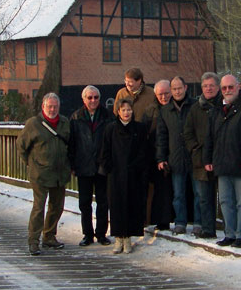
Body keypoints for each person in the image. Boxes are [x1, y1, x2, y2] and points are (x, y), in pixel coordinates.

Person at [203, 74, 241, 248]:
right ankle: (229, 234)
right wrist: (207, 159)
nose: (227, 91)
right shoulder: (216, 111)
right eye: (224, 88)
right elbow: (209, 137)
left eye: (230, 87)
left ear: (238, 87)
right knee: (225, 202)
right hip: (221, 163)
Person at [17, 92, 71, 256]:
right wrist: (31, 163)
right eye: (50, 106)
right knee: (38, 208)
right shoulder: (33, 124)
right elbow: (21, 147)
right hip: (40, 173)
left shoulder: (64, 122)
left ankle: (49, 236)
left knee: (57, 207)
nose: (52, 109)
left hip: (59, 173)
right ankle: (34, 241)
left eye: (55, 107)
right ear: (43, 107)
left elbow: (70, 143)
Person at [101, 98, 147, 254]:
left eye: (129, 109)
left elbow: (143, 150)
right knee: (116, 206)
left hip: (133, 173)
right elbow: (105, 150)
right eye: (123, 110)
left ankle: (128, 237)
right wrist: (109, 167)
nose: (126, 113)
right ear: (118, 111)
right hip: (115, 173)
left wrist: (136, 166)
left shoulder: (139, 128)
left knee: (132, 205)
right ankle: (118, 238)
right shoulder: (110, 129)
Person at [68, 85, 112, 247]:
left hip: (102, 166)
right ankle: (87, 234)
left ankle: (101, 233)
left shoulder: (107, 116)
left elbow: (111, 141)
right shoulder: (76, 117)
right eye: (90, 97)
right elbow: (71, 143)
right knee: (84, 203)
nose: (93, 100)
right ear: (84, 99)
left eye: (96, 97)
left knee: (103, 202)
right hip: (83, 165)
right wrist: (72, 164)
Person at [156, 76, 199, 235]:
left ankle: (198, 222)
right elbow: (161, 137)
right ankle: (180, 222)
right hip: (175, 158)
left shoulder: (195, 106)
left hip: (194, 158)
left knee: (198, 193)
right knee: (178, 194)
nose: (177, 91)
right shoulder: (165, 111)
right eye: (174, 89)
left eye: (179, 88)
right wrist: (161, 158)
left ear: (186, 88)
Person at [183, 72, 221, 238]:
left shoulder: (223, 106)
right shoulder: (196, 108)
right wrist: (195, 150)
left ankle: (230, 231)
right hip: (200, 159)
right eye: (205, 86)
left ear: (218, 87)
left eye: (211, 85)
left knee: (227, 198)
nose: (208, 88)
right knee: (204, 197)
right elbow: (188, 133)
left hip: (222, 157)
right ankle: (208, 229)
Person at [141, 79, 174, 231]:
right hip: (156, 156)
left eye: (167, 93)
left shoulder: (176, 107)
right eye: (160, 94)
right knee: (161, 191)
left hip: (175, 154)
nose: (164, 97)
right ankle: (161, 220)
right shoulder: (149, 111)